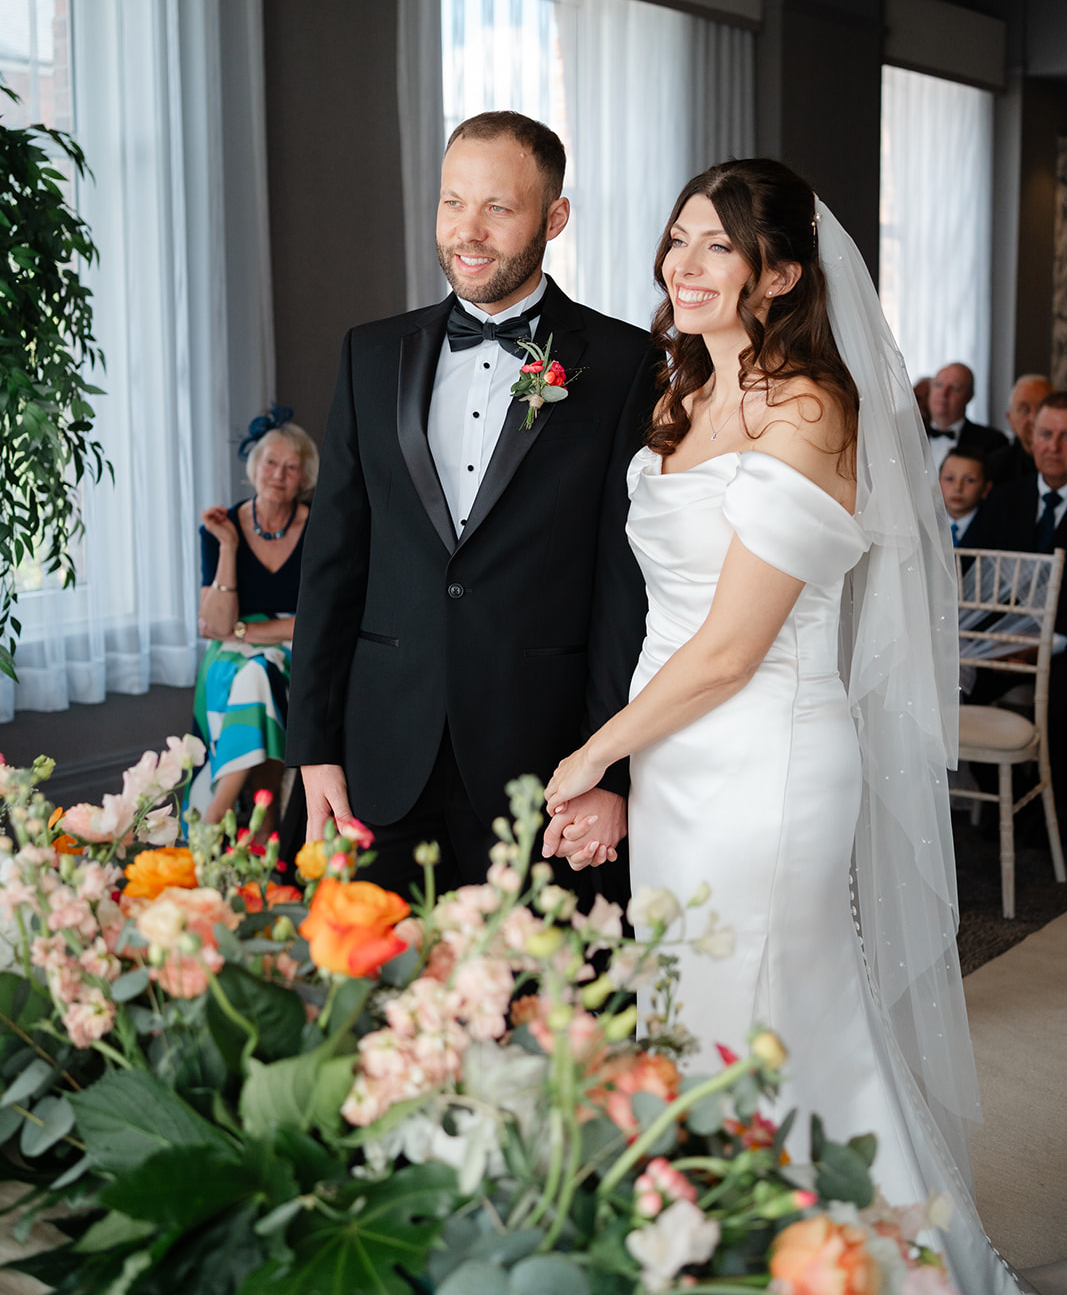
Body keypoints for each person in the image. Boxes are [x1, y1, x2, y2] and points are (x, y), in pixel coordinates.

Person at [544, 159, 1024, 1291]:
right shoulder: (685, 393)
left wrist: (589, 751)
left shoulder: (808, 404)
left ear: (782, 273)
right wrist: (626, 769)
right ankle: (734, 1249)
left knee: (773, 1020)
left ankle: (850, 1261)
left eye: (715, 246)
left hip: (767, 760)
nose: (683, 266)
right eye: (675, 241)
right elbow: (667, 630)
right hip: (676, 761)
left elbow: (728, 647)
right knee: (693, 1012)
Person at [284, 110, 658, 898]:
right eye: (453, 202)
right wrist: (313, 746)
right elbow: (332, 562)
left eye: (499, 206)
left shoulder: (624, 363)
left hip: (542, 767)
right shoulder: (369, 353)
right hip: (378, 755)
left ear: (554, 218)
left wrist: (606, 766)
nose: (469, 230)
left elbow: (623, 586)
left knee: (528, 1008)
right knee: (371, 1001)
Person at [193, 412, 318, 826]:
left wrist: (246, 631)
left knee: (259, 673)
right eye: (270, 463)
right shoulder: (223, 526)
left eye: (291, 467)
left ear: (303, 478)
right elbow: (212, 623)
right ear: (254, 467)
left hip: (295, 647)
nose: (278, 475)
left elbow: (320, 620)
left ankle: (213, 819)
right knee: (255, 675)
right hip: (230, 653)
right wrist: (228, 548)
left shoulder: (321, 528)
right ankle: (263, 830)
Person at [967, 392, 1067, 822]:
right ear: (1031, 437)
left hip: (1064, 649)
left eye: (1066, 437)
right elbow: (973, 576)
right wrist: (998, 642)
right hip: (998, 645)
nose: (1054, 447)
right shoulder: (1005, 498)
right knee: (953, 692)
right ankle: (1003, 812)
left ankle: (1052, 818)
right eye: (1045, 434)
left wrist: (1048, 642)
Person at [927, 361, 1007, 471]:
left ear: (969, 396)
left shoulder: (992, 441)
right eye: (938, 385)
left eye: (954, 388)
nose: (943, 393)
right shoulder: (908, 434)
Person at [987, 373, 1051, 485]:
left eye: (1042, 408)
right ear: (1010, 419)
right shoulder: (994, 466)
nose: (1034, 418)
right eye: (1025, 410)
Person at [939, 448, 991, 545]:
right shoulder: (923, 525)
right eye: (950, 479)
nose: (958, 488)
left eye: (970, 480)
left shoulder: (995, 528)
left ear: (986, 489)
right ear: (938, 483)